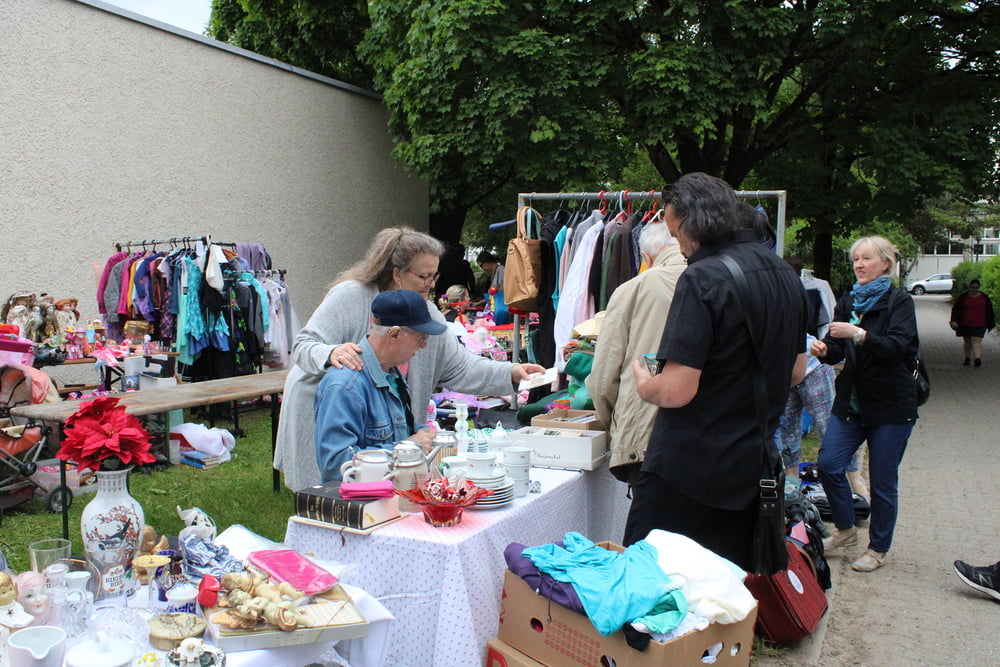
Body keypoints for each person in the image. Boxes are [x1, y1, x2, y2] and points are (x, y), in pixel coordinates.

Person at [625, 172, 808, 570]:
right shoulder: (784, 273)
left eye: (676, 234)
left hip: (691, 472)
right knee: (726, 587)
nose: (678, 245)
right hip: (752, 464)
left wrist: (645, 383)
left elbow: (675, 390)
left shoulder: (702, 277)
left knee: (654, 584)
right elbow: (796, 371)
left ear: (693, 223)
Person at [273, 227, 544, 492]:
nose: (432, 283)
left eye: (435, 275)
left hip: (382, 436)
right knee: (328, 488)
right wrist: (330, 353)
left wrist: (511, 372)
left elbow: (460, 366)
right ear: (397, 274)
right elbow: (304, 344)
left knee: (378, 489)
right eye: (424, 276)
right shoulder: (351, 296)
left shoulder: (427, 314)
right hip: (324, 409)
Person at [811, 235, 919, 573]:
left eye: (866, 258)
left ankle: (877, 549)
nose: (859, 264)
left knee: (882, 482)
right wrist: (824, 350)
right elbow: (836, 348)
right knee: (829, 464)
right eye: (856, 258)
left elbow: (900, 347)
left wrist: (859, 335)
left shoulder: (899, 302)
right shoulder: (849, 299)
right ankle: (845, 530)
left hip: (891, 406)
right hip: (852, 404)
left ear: (885, 263)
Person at [585, 221, 687, 487]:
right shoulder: (720, 280)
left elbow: (603, 380)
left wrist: (616, 427)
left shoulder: (634, 289)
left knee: (653, 512)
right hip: (712, 434)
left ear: (645, 257)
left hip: (647, 434)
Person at [315, 290, 447, 481]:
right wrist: (405, 449)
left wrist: (422, 434)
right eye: (421, 337)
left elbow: (396, 432)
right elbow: (335, 464)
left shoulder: (390, 372)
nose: (423, 345)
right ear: (394, 334)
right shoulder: (344, 386)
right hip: (363, 499)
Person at [950, 278, 994, 367]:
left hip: (980, 323)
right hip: (965, 323)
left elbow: (989, 310)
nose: (974, 289)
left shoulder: (984, 297)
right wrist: (953, 320)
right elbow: (956, 309)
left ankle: (977, 358)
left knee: (976, 340)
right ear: (969, 287)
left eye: (976, 288)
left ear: (979, 288)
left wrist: (990, 322)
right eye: (973, 287)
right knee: (967, 341)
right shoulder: (963, 298)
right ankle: (967, 357)